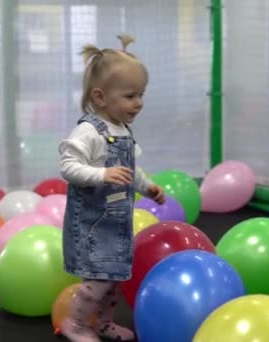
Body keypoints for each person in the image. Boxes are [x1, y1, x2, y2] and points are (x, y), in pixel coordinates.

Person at [58, 34, 165, 342]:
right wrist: (102, 174)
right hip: (91, 224)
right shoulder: (88, 132)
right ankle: (76, 325)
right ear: (100, 97)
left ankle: (103, 323)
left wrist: (147, 187)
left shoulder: (123, 131)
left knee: (114, 280)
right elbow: (68, 167)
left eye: (141, 94)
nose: (139, 103)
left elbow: (130, 170)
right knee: (96, 283)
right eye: (130, 96)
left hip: (116, 224)